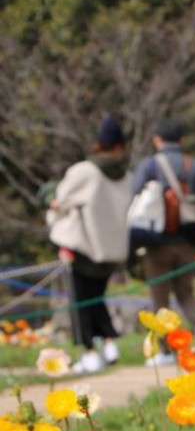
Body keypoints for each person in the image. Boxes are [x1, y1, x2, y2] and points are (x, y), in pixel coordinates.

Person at [48, 116, 132, 373]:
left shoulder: (84, 171)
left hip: (82, 246)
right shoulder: (127, 176)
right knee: (95, 298)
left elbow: (60, 201)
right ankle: (109, 343)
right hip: (111, 250)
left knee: (80, 301)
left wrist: (54, 210)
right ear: (120, 146)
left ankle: (90, 352)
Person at [131, 118, 195, 366]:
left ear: (157, 140)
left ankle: (165, 350)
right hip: (187, 242)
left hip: (156, 243)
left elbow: (134, 198)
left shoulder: (149, 165)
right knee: (187, 293)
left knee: (159, 298)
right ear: (182, 140)